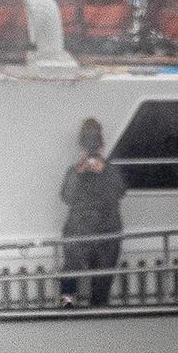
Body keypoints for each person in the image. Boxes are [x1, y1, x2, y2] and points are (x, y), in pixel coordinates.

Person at [59, 118, 126, 307]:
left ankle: (98, 313)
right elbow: (66, 197)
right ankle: (67, 303)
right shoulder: (74, 171)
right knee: (70, 275)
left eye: (94, 147)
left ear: (102, 147)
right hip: (79, 230)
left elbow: (119, 192)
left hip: (106, 232)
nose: (90, 152)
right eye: (87, 147)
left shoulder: (110, 170)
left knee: (101, 290)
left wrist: (103, 171)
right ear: (81, 148)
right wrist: (78, 172)